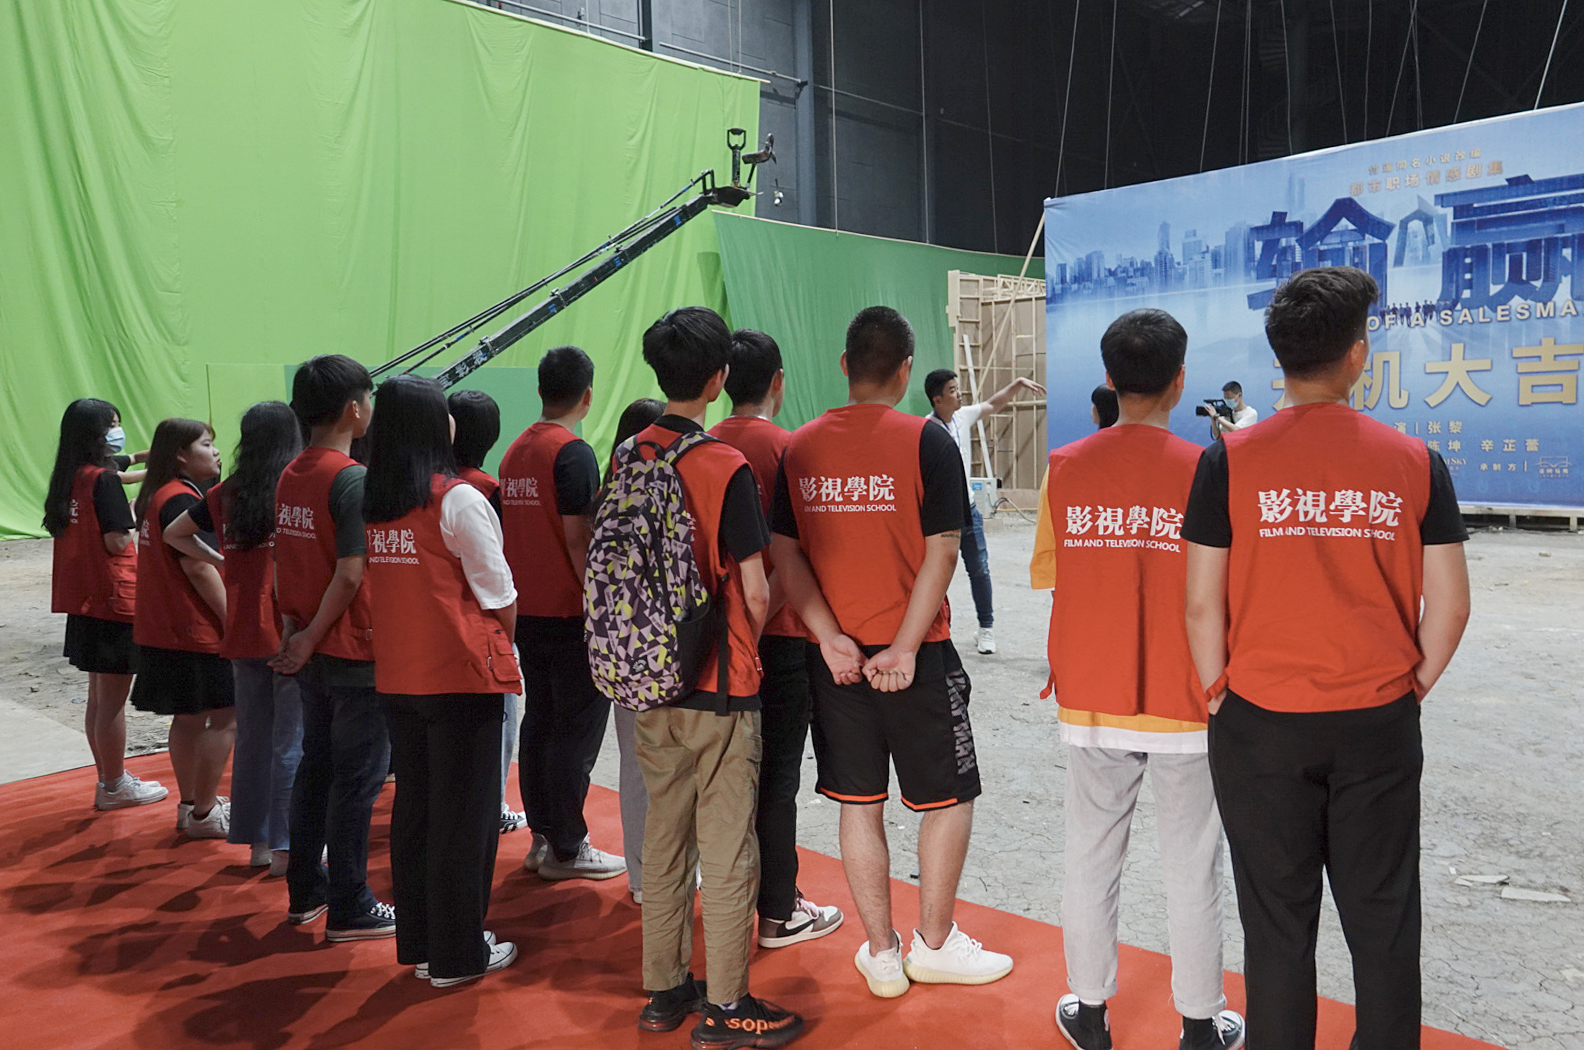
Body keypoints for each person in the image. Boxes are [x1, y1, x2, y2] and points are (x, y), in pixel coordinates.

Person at [1183, 266, 1471, 1050]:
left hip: (1259, 723)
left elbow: (1202, 603)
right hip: (1377, 719)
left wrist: (1216, 690)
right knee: (1384, 918)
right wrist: (1412, 685)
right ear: (1357, 354)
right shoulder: (1415, 461)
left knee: (1276, 924)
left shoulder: (1228, 460)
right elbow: (1450, 605)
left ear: (1281, 357)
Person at [773, 306, 1012, 1001]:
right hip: (919, 656)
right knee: (949, 798)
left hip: (837, 661)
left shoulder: (800, 447)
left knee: (859, 803)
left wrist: (828, 637)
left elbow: (785, 553)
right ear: (907, 371)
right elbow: (945, 550)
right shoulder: (927, 440)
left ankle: (881, 953)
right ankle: (932, 943)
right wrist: (905, 647)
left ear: (845, 366)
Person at [1031, 310, 1244, 1050]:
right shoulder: (1211, 467)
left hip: (1094, 691)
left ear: (1110, 379)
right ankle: (1199, 1024)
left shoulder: (1065, 466)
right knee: (1194, 865)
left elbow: (1054, 575)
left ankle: (1090, 1014)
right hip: (1190, 695)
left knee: (1091, 857)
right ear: (1180, 381)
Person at [622, 307, 803, 1048]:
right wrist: (744, 647)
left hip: (647, 679)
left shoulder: (629, 453)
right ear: (719, 378)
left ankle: (664, 989)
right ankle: (728, 1005)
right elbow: (755, 590)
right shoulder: (723, 466)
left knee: (665, 836)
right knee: (728, 848)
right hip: (720, 686)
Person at [364, 375, 522, 988]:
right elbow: (499, 596)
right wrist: (502, 643)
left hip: (399, 675)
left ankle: (426, 944)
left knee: (417, 811)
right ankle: (458, 954)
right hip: (460, 675)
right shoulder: (457, 499)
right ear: (436, 425)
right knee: (464, 818)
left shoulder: (377, 499)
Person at [708, 329, 844, 949]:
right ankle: (779, 910)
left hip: (714, 640)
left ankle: (732, 897)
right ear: (778, 382)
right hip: (781, 637)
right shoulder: (791, 449)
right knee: (777, 778)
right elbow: (799, 556)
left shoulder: (704, 446)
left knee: (726, 778)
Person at [271, 354, 395, 941]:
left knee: (317, 768)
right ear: (354, 408)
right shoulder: (350, 478)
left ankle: (307, 890)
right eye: (368, 398)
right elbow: (349, 574)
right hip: (350, 650)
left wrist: (294, 634)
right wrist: (308, 637)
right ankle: (351, 904)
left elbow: (285, 562)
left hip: (311, 646)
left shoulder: (291, 472)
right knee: (356, 782)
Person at [498, 346, 625, 881]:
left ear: (541, 390)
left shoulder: (514, 452)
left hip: (527, 610)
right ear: (588, 395)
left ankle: (545, 838)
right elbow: (578, 539)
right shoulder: (571, 453)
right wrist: (600, 603)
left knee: (542, 723)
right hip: (571, 614)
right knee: (574, 731)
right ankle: (569, 846)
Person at [166, 402, 304, 873]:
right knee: (291, 742)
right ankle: (288, 846)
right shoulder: (293, 490)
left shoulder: (225, 492)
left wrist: (223, 561)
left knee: (253, 741)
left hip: (243, 627)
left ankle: (260, 844)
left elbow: (175, 534)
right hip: (286, 627)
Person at [44, 399, 167, 811]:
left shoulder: (71, 475)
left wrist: (152, 459)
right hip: (115, 601)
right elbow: (117, 541)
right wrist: (134, 512)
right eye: (112, 425)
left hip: (85, 599)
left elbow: (122, 466)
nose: (118, 431)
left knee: (98, 697)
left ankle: (108, 779)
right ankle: (115, 786)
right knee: (111, 702)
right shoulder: (104, 482)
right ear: (96, 434)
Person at [130, 418, 236, 841]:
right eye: (207, 444)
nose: (216, 451)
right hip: (195, 629)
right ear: (180, 454)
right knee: (226, 717)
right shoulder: (183, 500)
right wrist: (232, 621)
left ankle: (191, 806)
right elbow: (198, 567)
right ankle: (205, 811)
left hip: (166, 626)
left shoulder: (157, 494)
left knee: (189, 717)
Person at [448, 388, 529, 838]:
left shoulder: (435, 485)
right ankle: (492, 805)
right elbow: (499, 571)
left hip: (447, 628)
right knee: (500, 722)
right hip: (485, 625)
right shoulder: (483, 491)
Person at [922, 367, 1047, 654]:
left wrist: (1017, 383)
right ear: (937, 399)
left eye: (958, 388)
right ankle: (934, 629)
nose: (959, 394)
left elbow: (993, 404)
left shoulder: (963, 417)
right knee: (936, 571)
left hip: (969, 511)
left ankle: (986, 628)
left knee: (979, 569)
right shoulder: (926, 430)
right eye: (952, 390)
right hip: (941, 516)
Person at [605, 395, 666, 905]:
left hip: (619, 648)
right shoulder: (663, 500)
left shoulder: (606, 501)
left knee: (635, 763)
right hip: (658, 649)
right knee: (667, 766)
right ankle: (661, 874)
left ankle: (643, 877)